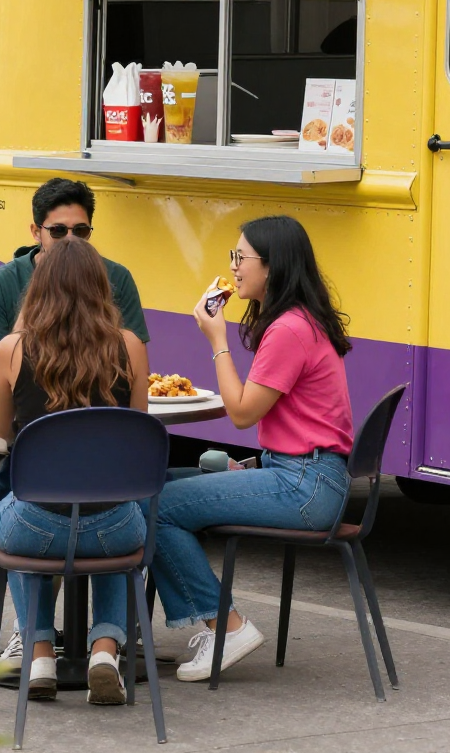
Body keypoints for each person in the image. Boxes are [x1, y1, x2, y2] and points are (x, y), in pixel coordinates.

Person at [150, 216, 353, 683]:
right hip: (306, 474)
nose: (235, 268)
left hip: (304, 485)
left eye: (242, 258)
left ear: (273, 266)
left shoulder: (289, 329)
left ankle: (226, 627)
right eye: (233, 258)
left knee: (154, 506)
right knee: (152, 486)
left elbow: (241, 413)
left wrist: (217, 340)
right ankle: (139, 631)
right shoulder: (300, 319)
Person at [0, 237, 151, 707]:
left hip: (36, 525)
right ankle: (104, 649)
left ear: (38, 288)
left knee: (9, 525)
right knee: (120, 520)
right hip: (113, 528)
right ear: (103, 288)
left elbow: (3, 431)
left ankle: (39, 654)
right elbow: (136, 431)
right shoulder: (130, 346)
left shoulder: (12, 348)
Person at [0, 179, 148, 381]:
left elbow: (136, 363)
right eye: (58, 231)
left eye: (80, 231)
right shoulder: (3, 281)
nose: (70, 240)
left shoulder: (117, 277)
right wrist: (51, 385)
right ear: (36, 232)